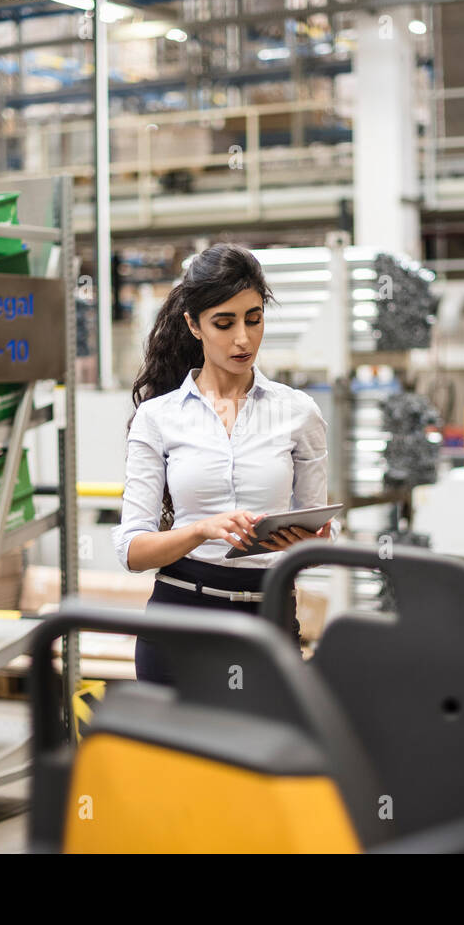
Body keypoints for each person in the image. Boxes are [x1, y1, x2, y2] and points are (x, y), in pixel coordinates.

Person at [111, 243, 340, 684]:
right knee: (177, 755)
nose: (243, 339)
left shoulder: (298, 412)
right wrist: (200, 529)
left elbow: (320, 539)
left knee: (263, 751)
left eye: (254, 320)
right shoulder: (158, 418)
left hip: (266, 619)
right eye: (224, 323)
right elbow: (132, 551)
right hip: (180, 622)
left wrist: (309, 543)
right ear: (193, 325)